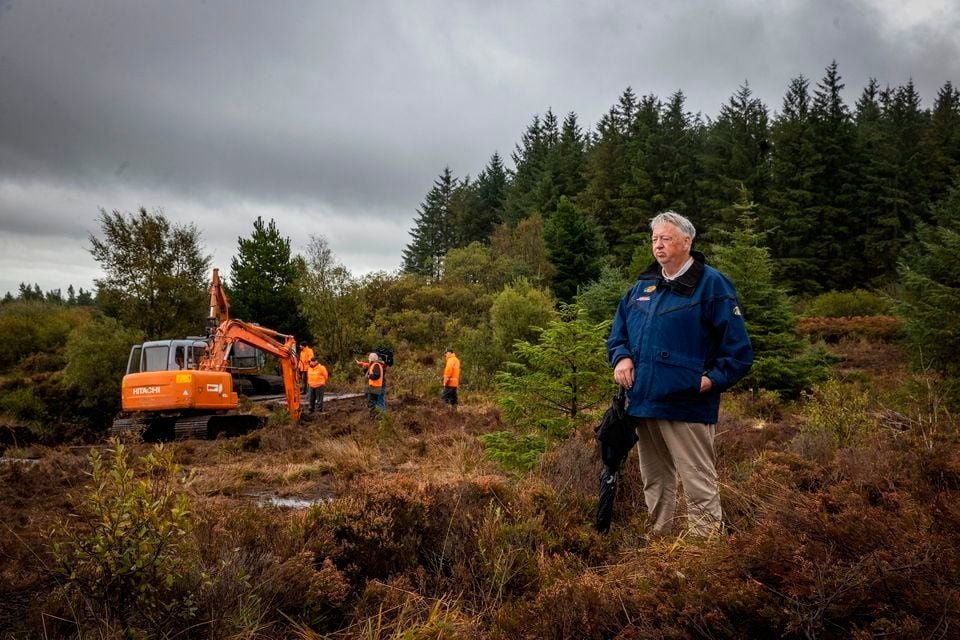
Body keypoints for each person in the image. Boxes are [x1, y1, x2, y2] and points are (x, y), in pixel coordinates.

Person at [607, 211, 753, 538]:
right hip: (644, 400)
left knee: (697, 478)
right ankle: (660, 537)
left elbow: (738, 351)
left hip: (687, 402)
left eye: (666, 238)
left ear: (687, 241)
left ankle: (704, 547)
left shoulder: (712, 284)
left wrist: (709, 380)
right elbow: (618, 334)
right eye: (654, 239)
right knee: (655, 477)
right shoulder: (642, 286)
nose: (658, 245)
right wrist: (621, 358)